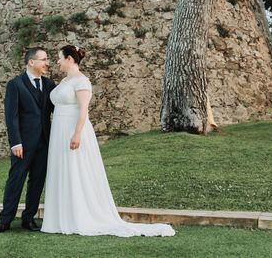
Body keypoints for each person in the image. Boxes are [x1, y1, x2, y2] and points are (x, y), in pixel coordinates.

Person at [41, 44, 175, 237]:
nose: (57, 62)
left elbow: (83, 110)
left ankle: (80, 215)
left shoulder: (81, 81)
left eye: (60, 58)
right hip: (58, 131)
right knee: (63, 169)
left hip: (73, 128)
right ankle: (62, 216)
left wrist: (77, 133)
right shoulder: (64, 81)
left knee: (75, 169)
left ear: (70, 59)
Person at [0, 47, 56, 233]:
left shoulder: (49, 84)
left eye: (48, 59)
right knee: (16, 180)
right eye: (44, 59)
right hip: (23, 144)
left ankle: (28, 218)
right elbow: (11, 116)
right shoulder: (15, 84)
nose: (47, 63)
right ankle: (5, 220)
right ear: (31, 62)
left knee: (37, 181)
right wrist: (15, 142)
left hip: (44, 143)